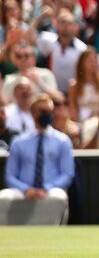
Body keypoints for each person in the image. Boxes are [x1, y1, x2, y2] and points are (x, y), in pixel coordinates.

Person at [0, 94, 74, 224]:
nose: (48, 115)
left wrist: (46, 188)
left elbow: (67, 174)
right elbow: (10, 175)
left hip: (50, 189)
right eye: (44, 112)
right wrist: (26, 189)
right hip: (23, 190)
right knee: (4, 197)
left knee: (58, 196)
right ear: (33, 113)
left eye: (50, 112)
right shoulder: (18, 142)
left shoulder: (62, 141)